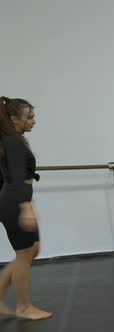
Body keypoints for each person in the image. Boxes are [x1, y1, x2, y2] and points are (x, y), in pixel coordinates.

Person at [0, 97, 52, 320]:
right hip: (15, 201)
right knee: (23, 255)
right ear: (14, 119)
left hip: (17, 199)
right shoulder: (12, 142)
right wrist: (25, 206)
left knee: (33, 249)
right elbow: (16, 178)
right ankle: (24, 306)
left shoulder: (15, 140)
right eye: (29, 117)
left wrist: (28, 204)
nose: (34, 121)